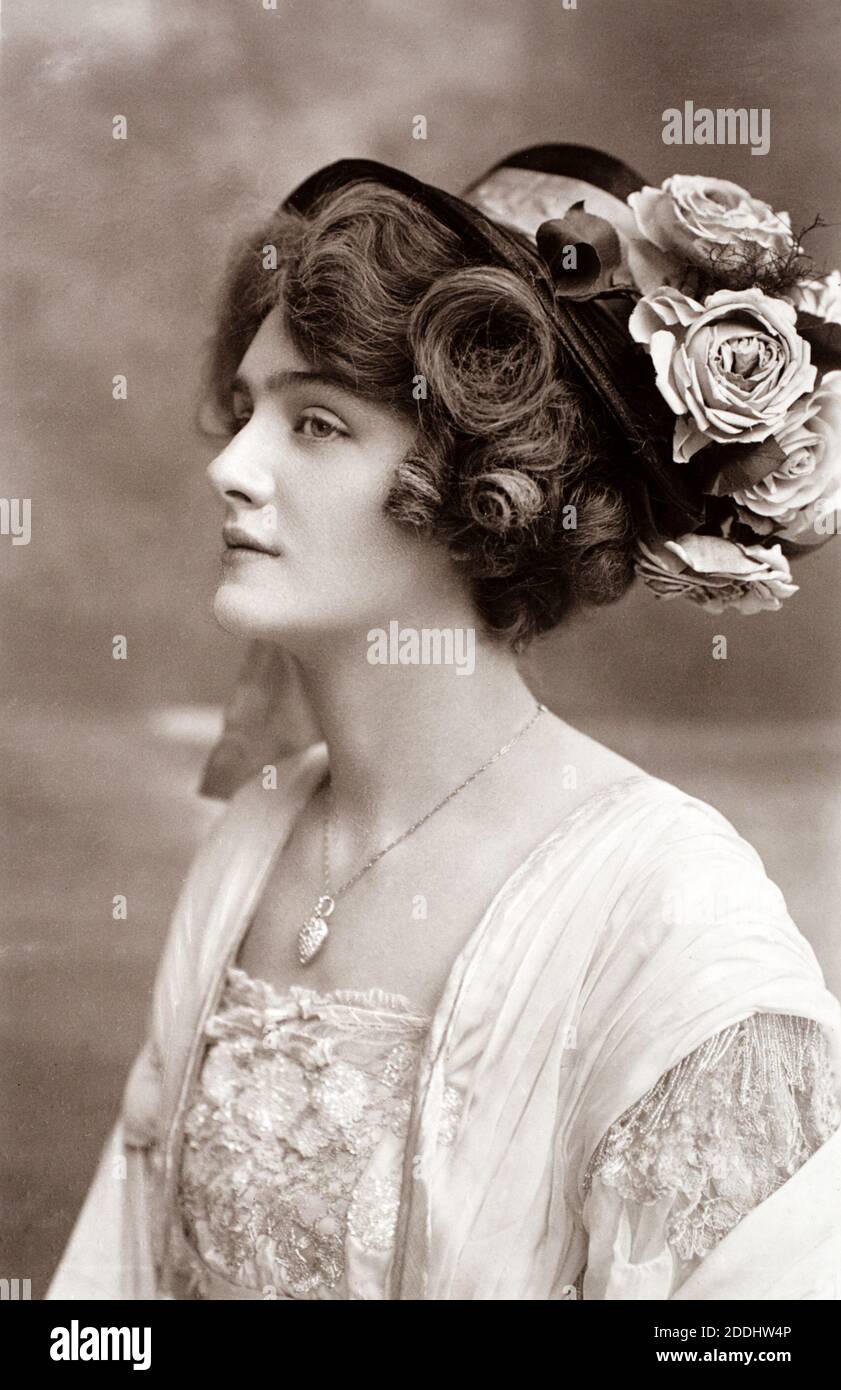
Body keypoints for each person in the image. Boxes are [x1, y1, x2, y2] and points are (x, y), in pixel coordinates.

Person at [47, 146, 841, 1301]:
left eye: (314, 423)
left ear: (480, 480)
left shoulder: (668, 915)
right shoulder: (254, 839)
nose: (230, 465)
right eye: (246, 410)